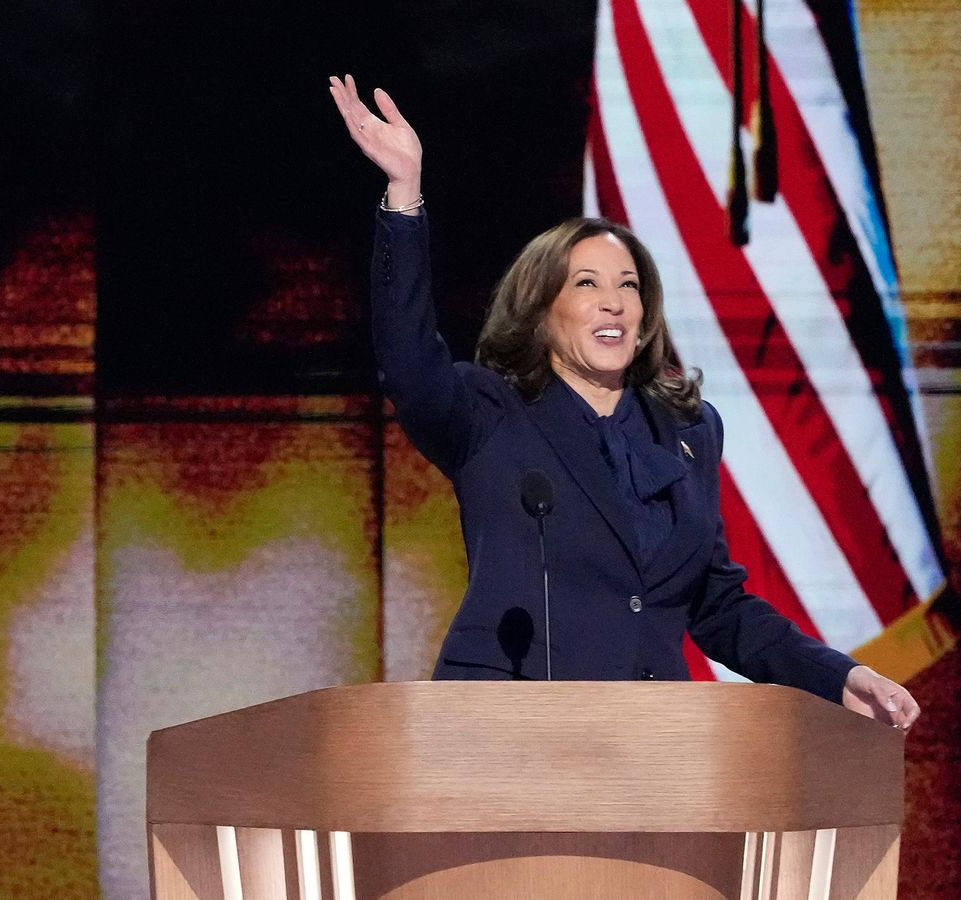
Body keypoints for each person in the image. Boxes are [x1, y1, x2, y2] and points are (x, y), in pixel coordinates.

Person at [327, 74, 920, 730]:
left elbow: (718, 606)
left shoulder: (689, 432)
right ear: (542, 312)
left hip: (648, 751)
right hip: (507, 733)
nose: (614, 300)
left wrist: (839, 676)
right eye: (587, 283)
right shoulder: (490, 413)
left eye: (629, 285)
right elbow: (409, 364)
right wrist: (404, 195)